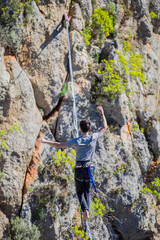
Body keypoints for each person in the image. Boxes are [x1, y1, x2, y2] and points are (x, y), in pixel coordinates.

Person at [37, 106, 107, 221]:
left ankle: (85, 211)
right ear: (89, 129)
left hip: (79, 169)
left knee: (80, 192)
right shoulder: (93, 138)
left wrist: (45, 141)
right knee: (87, 191)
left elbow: (60, 145)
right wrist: (102, 113)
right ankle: (87, 211)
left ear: (80, 128)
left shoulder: (76, 141)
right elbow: (104, 127)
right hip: (89, 168)